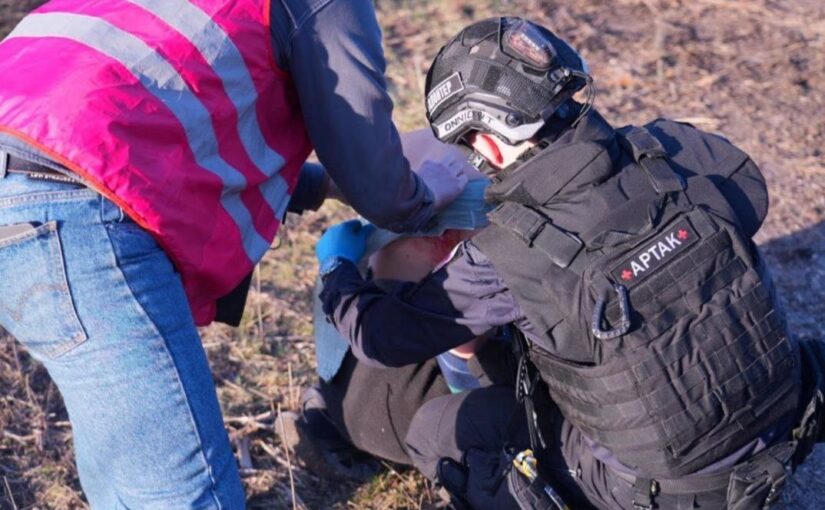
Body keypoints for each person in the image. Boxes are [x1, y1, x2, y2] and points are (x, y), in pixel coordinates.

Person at [316, 17, 825, 509]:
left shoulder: (511, 253)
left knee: (436, 431)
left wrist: (337, 266)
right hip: (788, 423)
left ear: (487, 140)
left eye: (469, 148)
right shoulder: (676, 151)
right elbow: (750, 197)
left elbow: (380, 337)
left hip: (668, 495)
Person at [0, 0, 467, 507]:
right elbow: (379, 180)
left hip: (38, 181)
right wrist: (422, 194)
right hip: (70, 207)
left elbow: (143, 122)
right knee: (184, 493)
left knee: (125, 459)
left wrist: (323, 186)